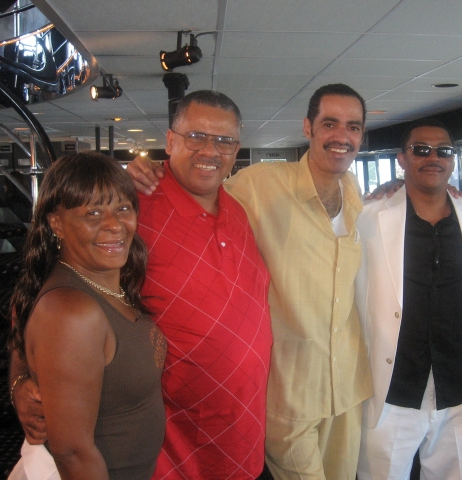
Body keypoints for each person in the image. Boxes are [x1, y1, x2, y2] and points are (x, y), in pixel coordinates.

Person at [11, 91, 273, 480]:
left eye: (225, 141)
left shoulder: (238, 210)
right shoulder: (136, 202)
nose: (210, 150)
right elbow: (35, 301)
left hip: (242, 436)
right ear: (170, 141)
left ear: (237, 149)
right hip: (170, 451)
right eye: (196, 136)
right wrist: (20, 383)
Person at [128, 84, 373, 480]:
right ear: (308, 127)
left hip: (338, 388)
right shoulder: (257, 187)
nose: (342, 136)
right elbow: (195, 182)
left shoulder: (353, 194)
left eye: (353, 127)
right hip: (280, 397)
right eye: (330, 123)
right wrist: (132, 172)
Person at [7, 152, 166, 479]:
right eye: (92, 213)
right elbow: (72, 453)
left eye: (122, 208)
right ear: (57, 224)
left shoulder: (108, 281)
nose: (114, 224)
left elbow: (29, 347)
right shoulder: (71, 312)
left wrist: (20, 380)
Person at [355, 120, 462, 480]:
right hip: (392, 390)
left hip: (460, 389)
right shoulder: (367, 217)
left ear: (454, 160)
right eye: (421, 150)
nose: (433, 158)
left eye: (443, 151)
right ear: (402, 159)